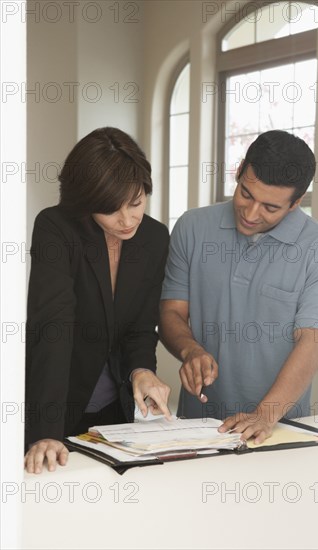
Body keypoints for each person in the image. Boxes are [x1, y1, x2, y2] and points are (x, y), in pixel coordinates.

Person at [159, 130, 318, 445]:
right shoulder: (192, 227)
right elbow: (171, 312)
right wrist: (189, 349)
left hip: (279, 431)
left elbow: (313, 344)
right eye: (246, 194)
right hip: (197, 429)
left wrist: (264, 415)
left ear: (296, 202)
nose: (250, 214)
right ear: (239, 172)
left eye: (269, 208)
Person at [25, 127, 171, 473]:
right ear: (86, 203)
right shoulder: (55, 227)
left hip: (115, 408)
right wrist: (45, 431)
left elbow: (140, 326)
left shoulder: (154, 237)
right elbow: (53, 327)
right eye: (110, 209)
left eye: (136, 203)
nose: (127, 219)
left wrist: (142, 370)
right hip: (57, 399)